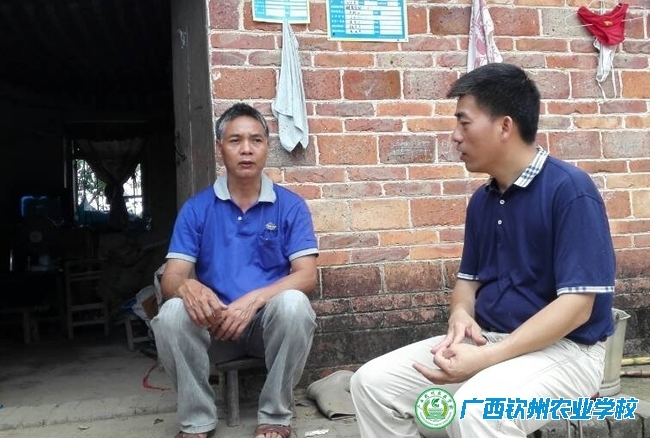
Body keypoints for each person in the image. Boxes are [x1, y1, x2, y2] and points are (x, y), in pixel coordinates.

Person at [350, 62, 616, 438]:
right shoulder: (483, 200)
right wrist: (460, 315)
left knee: (478, 411)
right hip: (491, 340)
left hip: (569, 353)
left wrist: (486, 358)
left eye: (464, 122)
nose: (455, 136)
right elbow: (468, 283)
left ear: (504, 126)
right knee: (372, 384)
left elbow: (577, 307)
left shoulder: (570, 190)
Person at [151, 103, 318, 438]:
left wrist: (252, 301)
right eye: (235, 140)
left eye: (256, 140)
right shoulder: (196, 209)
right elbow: (172, 277)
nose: (246, 149)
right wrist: (186, 287)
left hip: (265, 329)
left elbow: (306, 276)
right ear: (220, 148)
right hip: (213, 327)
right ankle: (197, 421)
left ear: (266, 147)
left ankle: (275, 416)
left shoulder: (291, 206)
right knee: (170, 313)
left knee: (295, 305)